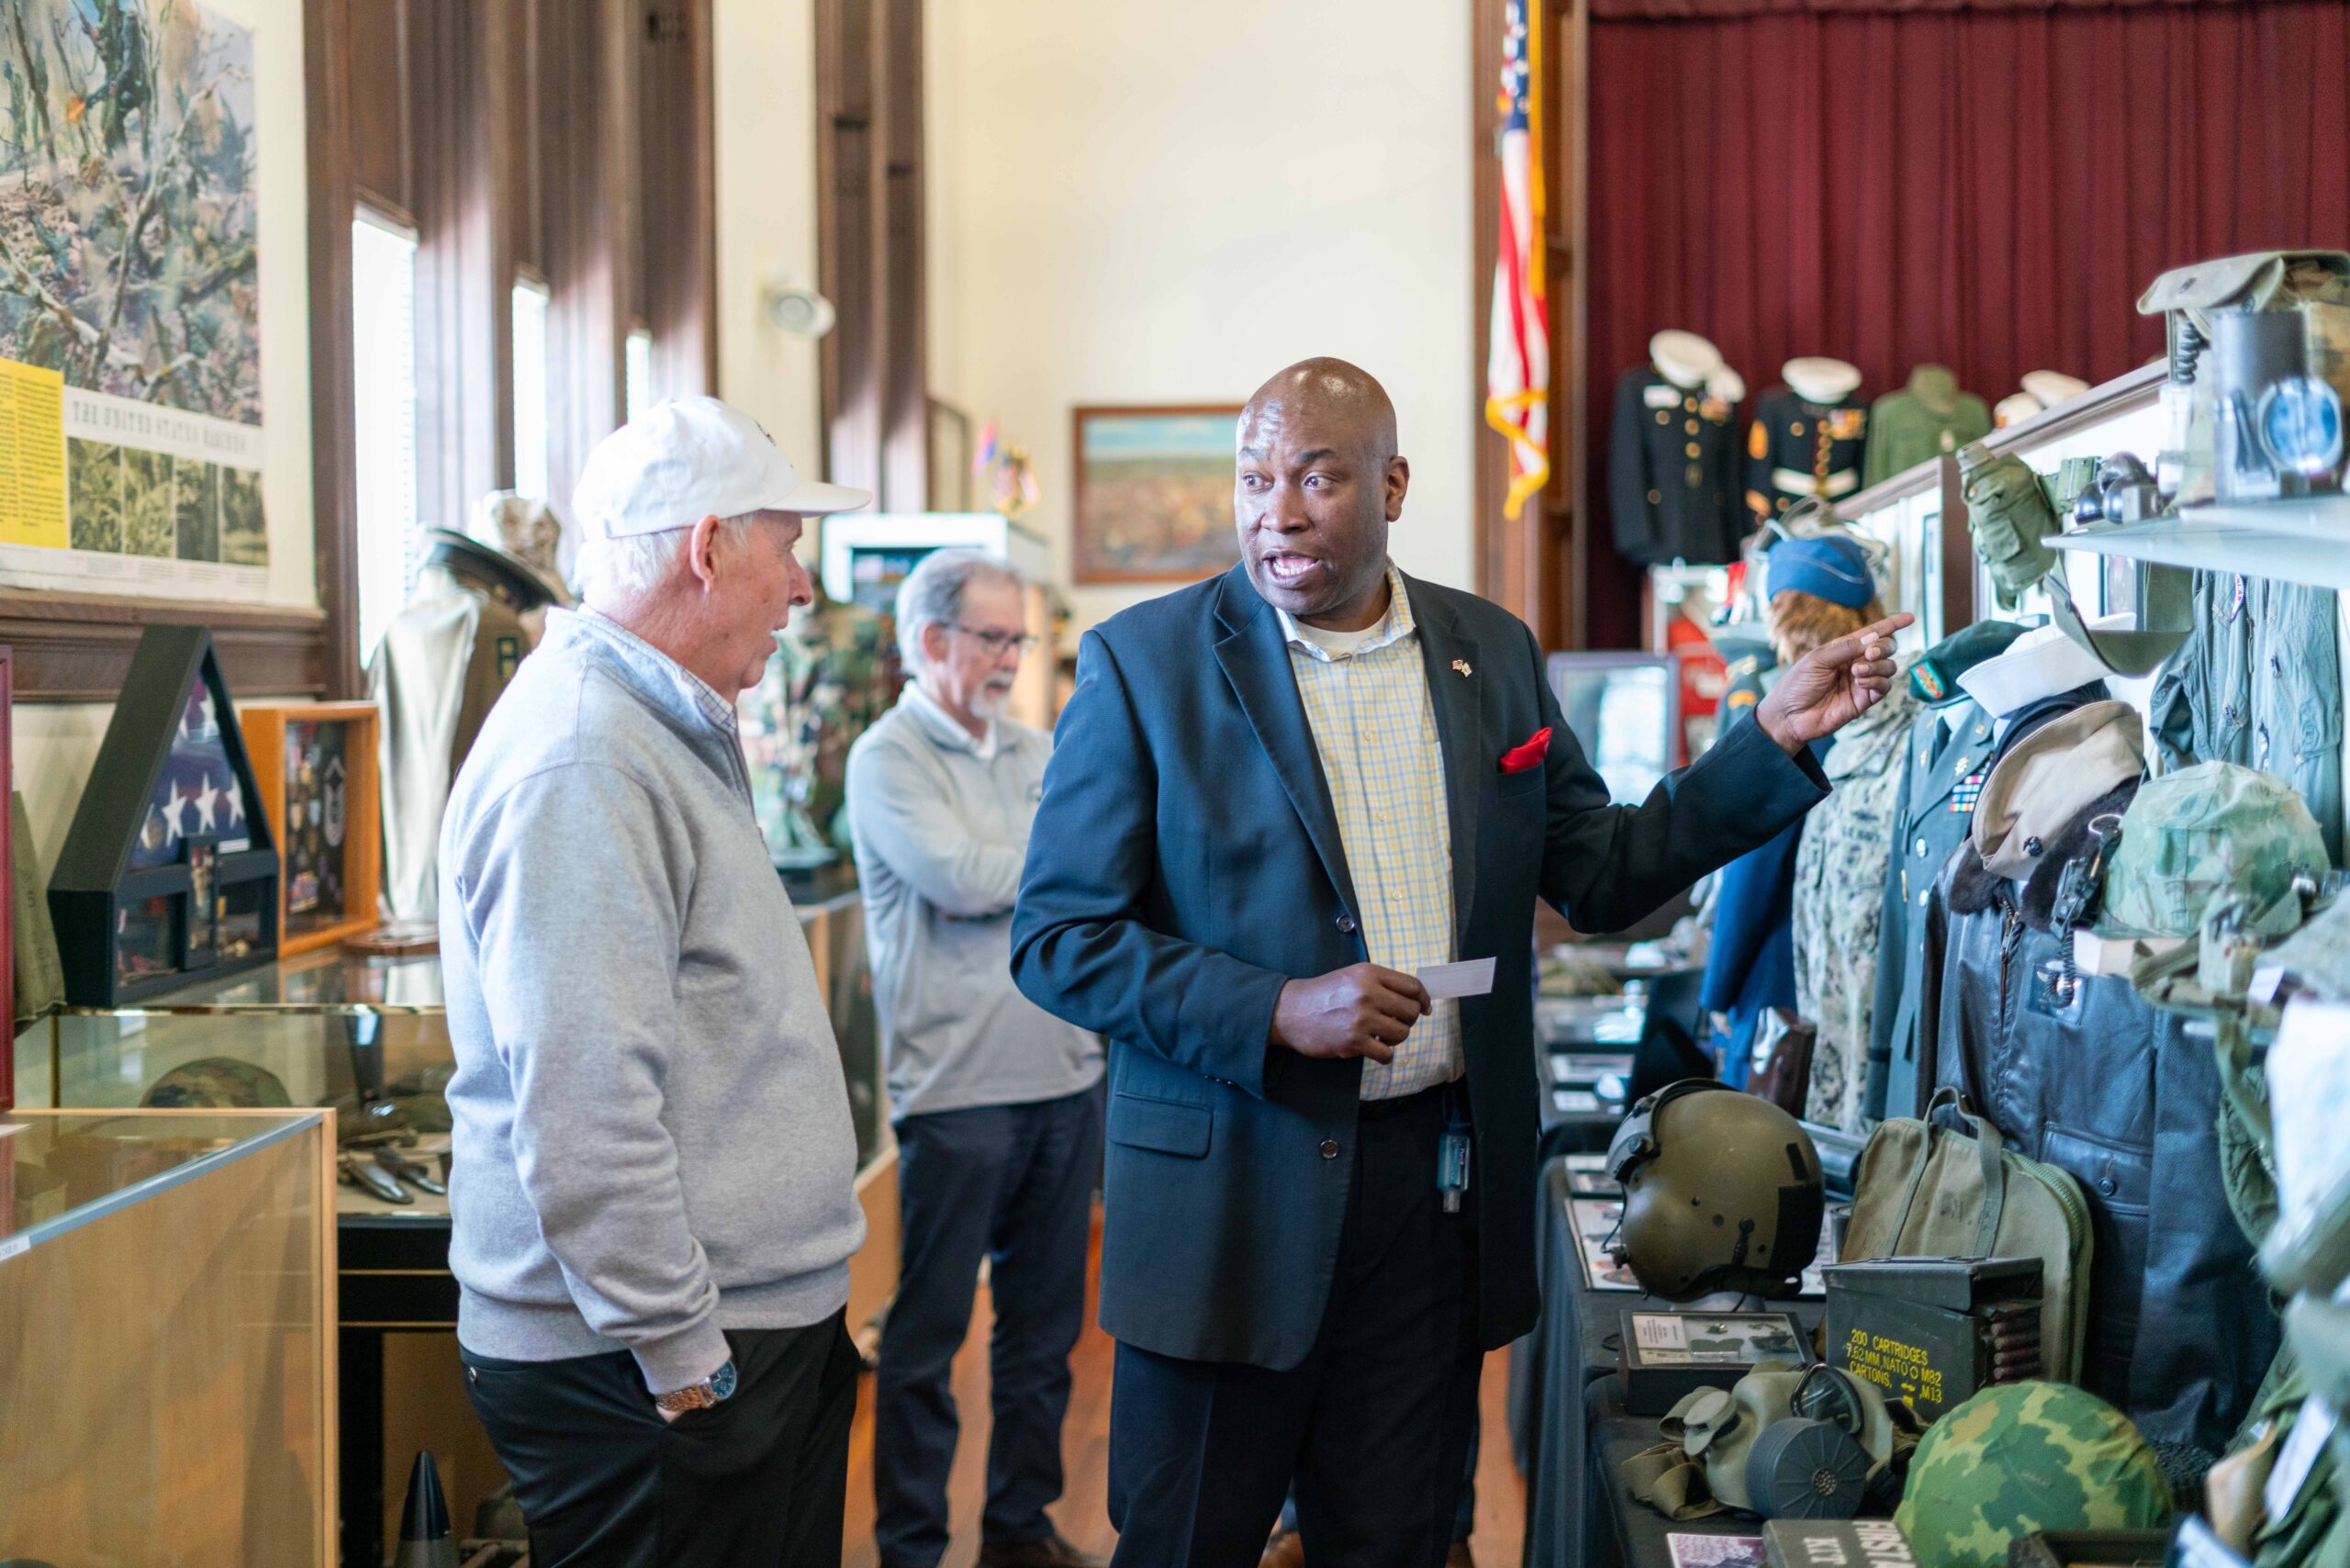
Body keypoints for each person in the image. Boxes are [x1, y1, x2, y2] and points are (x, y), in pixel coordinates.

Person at [1011, 359, 1906, 1567]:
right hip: (1230, 1207)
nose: (1275, 510)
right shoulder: (1144, 666)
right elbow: (1060, 939)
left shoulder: (1489, 651)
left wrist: (1767, 740)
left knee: (1402, 1541)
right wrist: (1272, 1008)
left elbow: (1604, 873)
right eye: (1255, 477)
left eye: (1317, 478)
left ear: (1392, 486)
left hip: (1430, 1205)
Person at [440, 396, 874, 1568]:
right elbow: (584, 1109)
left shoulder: (655, 723)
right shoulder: (586, 753)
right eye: (787, 547)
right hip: (652, 1361)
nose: (801, 587)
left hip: (727, 1330)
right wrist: (687, 1364)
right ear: (706, 546)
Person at [846, 549, 1108, 1568]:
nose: (1010, 657)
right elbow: (955, 877)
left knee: (1043, 1343)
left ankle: (1018, 1532)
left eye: (1018, 638)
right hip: (956, 1095)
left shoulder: (1039, 749)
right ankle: (912, 1546)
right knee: (925, 1344)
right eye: (992, 637)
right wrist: (1061, 861)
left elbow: (1110, 860)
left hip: (1066, 1076)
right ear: (929, 640)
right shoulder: (886, 759)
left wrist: (1061, 860)